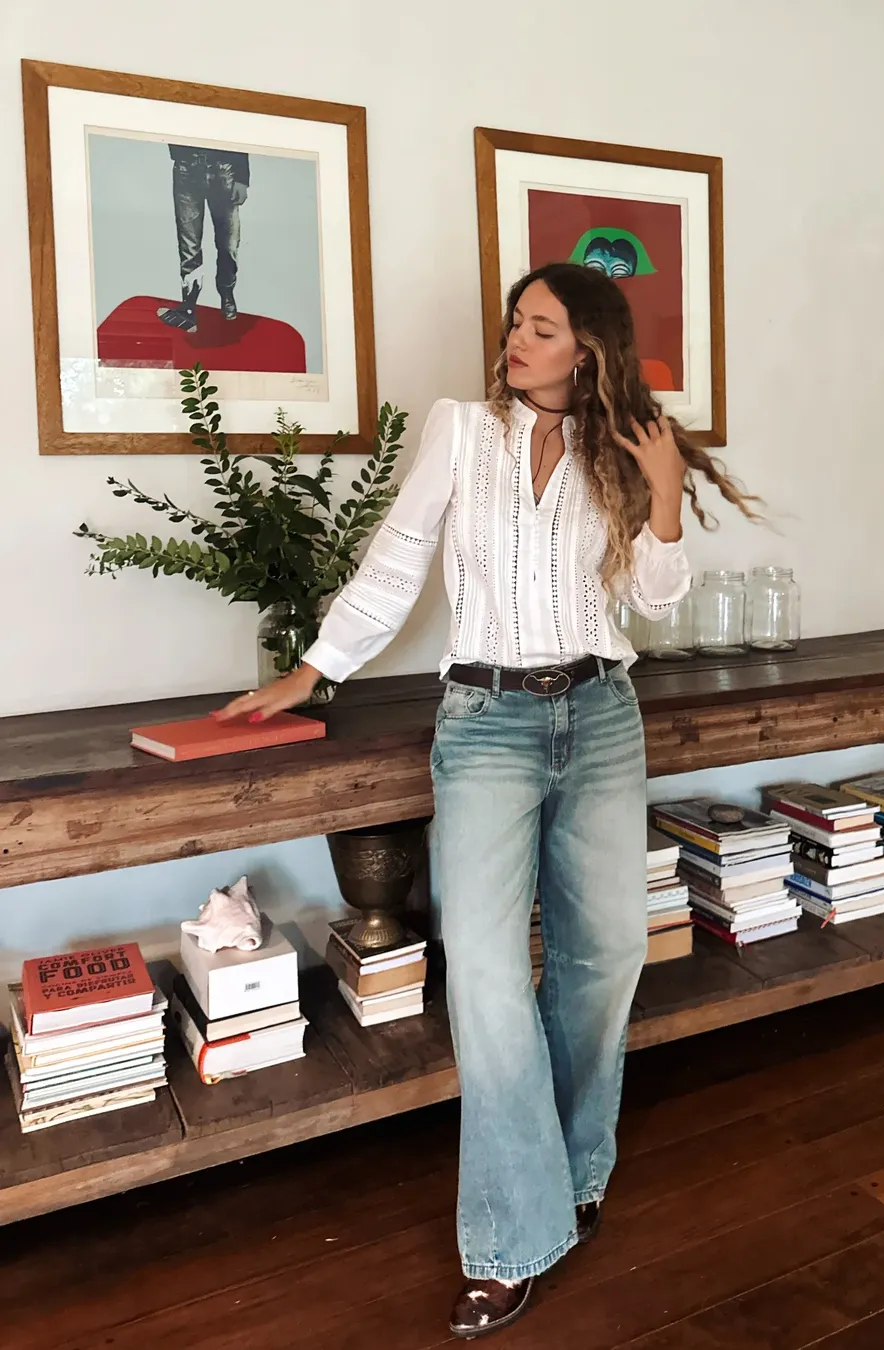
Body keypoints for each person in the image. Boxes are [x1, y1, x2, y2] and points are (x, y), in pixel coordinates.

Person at [215, 262, 757, 1338]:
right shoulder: (460, 431)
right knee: (487, 977)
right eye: (516, 322)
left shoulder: (622, 448)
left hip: (601, 714)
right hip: (489, 721)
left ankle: (576, 1173)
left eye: (542, 327)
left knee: (607, 956)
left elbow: (654, 602)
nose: (517, 340)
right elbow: (395, 560)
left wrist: (662, 495)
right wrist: (311, 672)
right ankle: (510, 1239)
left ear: (588, 350)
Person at [156, 143, 250, 334]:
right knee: (189, 245)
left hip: (223, 169)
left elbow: (238, 133)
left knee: (228, 243)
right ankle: (189, 305)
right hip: (186, 168)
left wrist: (242, 178)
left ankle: (227, 294)